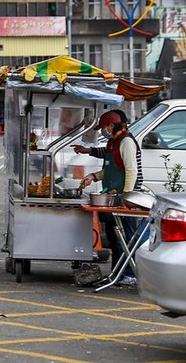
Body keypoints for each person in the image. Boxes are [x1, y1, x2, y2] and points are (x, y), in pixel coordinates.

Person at [73, 110, 143, 286]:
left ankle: (129, 274)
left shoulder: (127, 142)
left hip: (125, 197)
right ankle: (116, 273)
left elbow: (131, 170)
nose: (103, 131)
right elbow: (111, 168)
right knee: (114, 237)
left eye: (104, 127)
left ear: (112, 125)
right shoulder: (114, 142)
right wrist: (93, 176)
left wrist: (126, 195)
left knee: (126, 237)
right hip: (114, 195)